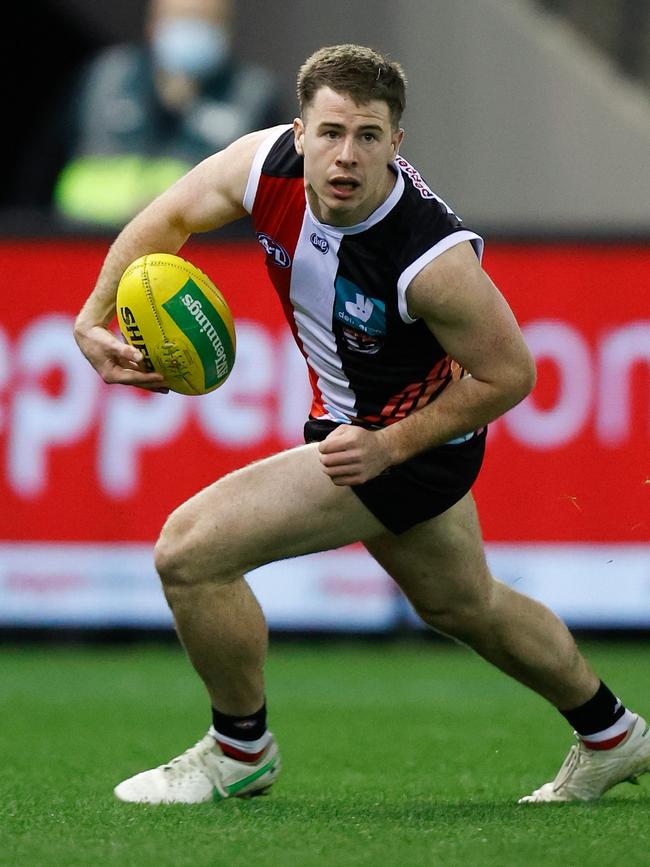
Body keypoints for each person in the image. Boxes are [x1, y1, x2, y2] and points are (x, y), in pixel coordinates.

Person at [73, 43, 649, 805]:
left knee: (189, 552)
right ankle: (614, 734)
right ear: (299, 131)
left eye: (368, 136)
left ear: (395, 143)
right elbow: (170, 215)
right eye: (332, 132)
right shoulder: (264, 164)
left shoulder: (427, 257)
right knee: (465, 604)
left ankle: (239, 748)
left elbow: (512, 374)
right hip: (358, 429)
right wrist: (91, 318)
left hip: (400, 443)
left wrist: (388, 445)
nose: (347, 155)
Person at [23, 0, 282, 227]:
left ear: (225, 30)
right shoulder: (101, 80)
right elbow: (35, 184)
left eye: (204, 18)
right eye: (181, 16)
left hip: (201, 259)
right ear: (153, 23)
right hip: (78, 251)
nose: (190, 28)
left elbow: (270, 207)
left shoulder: (254, 98)